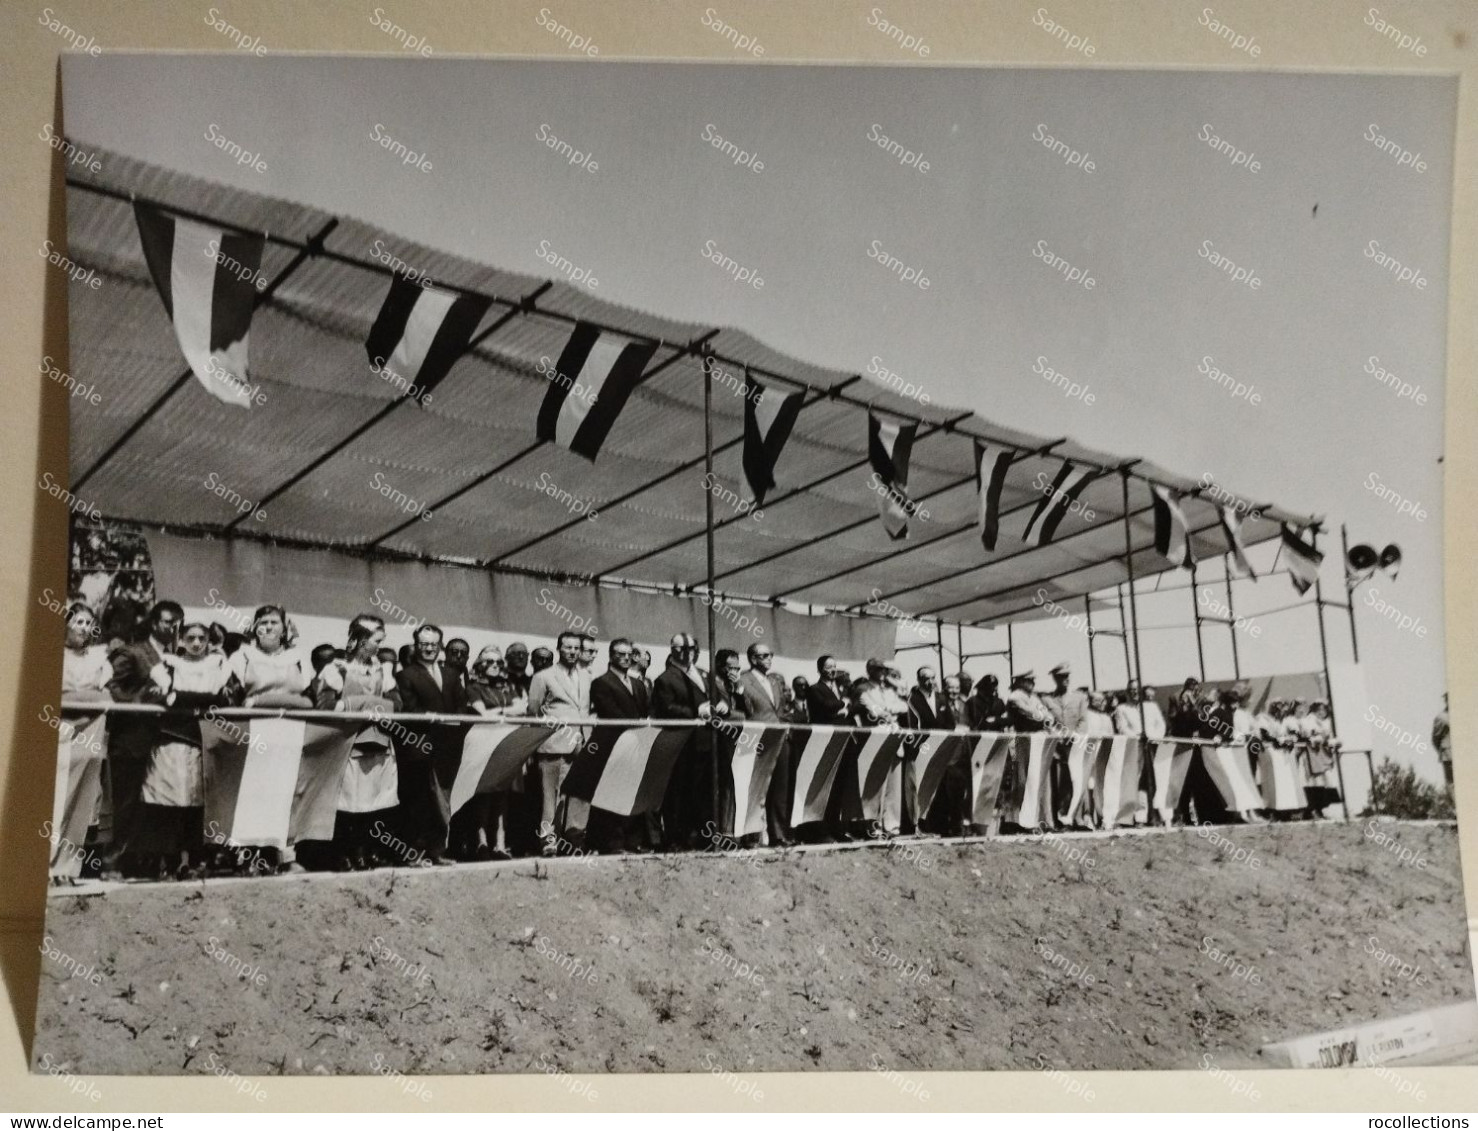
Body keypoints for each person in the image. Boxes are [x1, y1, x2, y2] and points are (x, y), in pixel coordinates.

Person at [140, 621, 235, 879]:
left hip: (203, 741)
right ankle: (168, 862)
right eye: (190, 638)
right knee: (169, 801)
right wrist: (198, 698)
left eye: (201, 638)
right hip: (172, 740)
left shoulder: (219, 666)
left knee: (197, 803)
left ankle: (192, 861)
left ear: (208, 641)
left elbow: (226, 698)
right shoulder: (168, 665)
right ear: (181, 640)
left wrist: (181, 697)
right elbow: (155, 695)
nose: (195, 643)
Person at [225, 605, 316, 871]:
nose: (267, 627)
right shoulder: (242, 657)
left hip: (290, 731)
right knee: (253, 792)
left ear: (285, 628)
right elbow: (231, 697)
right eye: (262, 622)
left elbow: (310, 697)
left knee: (285, 790)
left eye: (274, 622)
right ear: (254, 628)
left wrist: (264, 700)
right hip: (255, 731)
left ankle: (283, 856)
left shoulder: (298, 658)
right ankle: (248, 855)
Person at [105, 599, 183, 877]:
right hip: (131, 739)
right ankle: (113, 862)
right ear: (153, 623)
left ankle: (144, 863)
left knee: (156, 804)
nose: (172, 627)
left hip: (166, 740)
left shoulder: (180, 656)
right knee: (126, 802)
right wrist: (140, 699)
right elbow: (110, 685)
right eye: (167, 621)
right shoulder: (134, 652)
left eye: (177, 622)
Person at [318, 615, 402, 870]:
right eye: (375, 641)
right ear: (359, 640)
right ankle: (343, 853)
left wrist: (372, 706)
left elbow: (397, 704)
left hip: (377, 741)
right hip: (348, 743)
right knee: (347, 801)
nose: (378, 647)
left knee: (374, 800)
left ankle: (366, 850)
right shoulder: (336, 669)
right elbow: (324, 704)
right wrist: (359, 705)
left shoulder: (382, 671)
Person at [392, 623, 466, 865]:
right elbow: (412, 709)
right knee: (417, 802)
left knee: (440, 802)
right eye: (424, 645)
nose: (428, 649)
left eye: (433, 645)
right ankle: (412, 852)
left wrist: (452, 725)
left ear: (440, 646)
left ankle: (436, 850)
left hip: (447, 748)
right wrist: (441, 720)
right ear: (416, 645)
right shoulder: (405, 675)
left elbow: (462, 708)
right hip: (419, 747)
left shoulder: (452, 675)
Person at [52, 603, 113, 884]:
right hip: (57, 730)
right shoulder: (51, 653)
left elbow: (104, 697)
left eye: (89, 623)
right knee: (54, 799)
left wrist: (89, 699)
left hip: (90, 732)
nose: (84, 628)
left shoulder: (99, 659)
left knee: (82, 799)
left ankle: (65, 868)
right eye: (79, 622)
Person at [526, 631, 592, 855]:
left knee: (576, 796)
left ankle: (573, 840)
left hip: (580, 743)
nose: (572, 652)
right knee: (550, 796)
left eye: (576, 648)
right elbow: (533, 712)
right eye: (568, 647)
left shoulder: (586, 676)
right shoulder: (543, 677)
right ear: (559, 649)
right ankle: (548, 840)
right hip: (553, 744)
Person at [461, 645, 526, 860]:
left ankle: (500, 844)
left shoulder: (507, 686)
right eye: (489, 662)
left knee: (502, 796)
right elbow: (482, 714)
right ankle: (481, 843)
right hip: (483, 744)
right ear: (480, 665)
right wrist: (507, 712)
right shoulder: (473, 687)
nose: (495, 666)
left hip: (505, 743)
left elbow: (522, 709)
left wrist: (501, 712)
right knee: (483, 794)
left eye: (498, 662)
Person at [652, 633, 717, 848]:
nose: (687, 653)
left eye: (691, 649)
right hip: (681, 744)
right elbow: (666, 708)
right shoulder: (665, 679)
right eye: (681, 649)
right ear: (672, 650)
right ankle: (676, 839)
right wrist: (696, 711)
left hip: (705, 743)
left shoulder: (704, 675)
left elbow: (717, 697)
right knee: (679, 793)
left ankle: (702, 836)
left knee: (703, 793)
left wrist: (722, 705)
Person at [590, 637, 653, 852]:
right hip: (615, 745)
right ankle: (613, 842)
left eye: (629, 654)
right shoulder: (601, 682)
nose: (625, 658)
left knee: (633, 792)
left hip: (636, 746)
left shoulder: (638, 684)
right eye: (620, 654)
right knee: (613, 792)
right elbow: (610, 713)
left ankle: (633, 840)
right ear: (611, 655)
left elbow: (644, 713)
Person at [738, 642, 794, 847]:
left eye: (770, 654)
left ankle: (778, 834)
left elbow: (783, 710)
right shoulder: (744, 680)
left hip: (780, 739)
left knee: (780, 788)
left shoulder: (775, 682)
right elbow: (744, 709)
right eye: (764, 655)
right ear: (753, 658)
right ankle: (751, 835)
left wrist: (786, 728)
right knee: (755, 788)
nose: (769, 658)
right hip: (758, 740)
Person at [907, 666, 958, 835]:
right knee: (917, 788)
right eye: (926, 678)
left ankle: (931, 825)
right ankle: (915, 826)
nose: (931, 682)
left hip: (938, 751)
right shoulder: (912, 699)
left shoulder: (941, 699)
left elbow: (950, 724)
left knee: (935, 790)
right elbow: (913, 726)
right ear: (919, 680)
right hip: (920, 750)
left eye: (933, 678)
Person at [708, 648, 747, 838]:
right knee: (720, 785)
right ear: (720, 667)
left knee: (733, 784)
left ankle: (729, 829)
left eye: (737, 668)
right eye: (730, 667)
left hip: (735, 739)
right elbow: (717, 711)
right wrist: (732, 713)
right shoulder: (712, 683)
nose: (734, 671)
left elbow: (748, 711)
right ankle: (719, 829)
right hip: (717, 740)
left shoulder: (734, 686)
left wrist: (739, 690)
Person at [807, 655, 849, 725]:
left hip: (842, 729)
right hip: (825, 730)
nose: (833, 670)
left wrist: (846, 710)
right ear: (820, 670)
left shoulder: (840, 689)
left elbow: (850, 703)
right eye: (829, 667)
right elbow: (825, 706)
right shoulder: (814, 689)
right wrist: (843, 703)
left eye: (834, 667)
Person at [1433, 694, 1452, 786]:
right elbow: (1435, 739)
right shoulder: (1441, 717)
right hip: (1449, 755)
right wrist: (1444, 751)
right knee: (1451, 784)